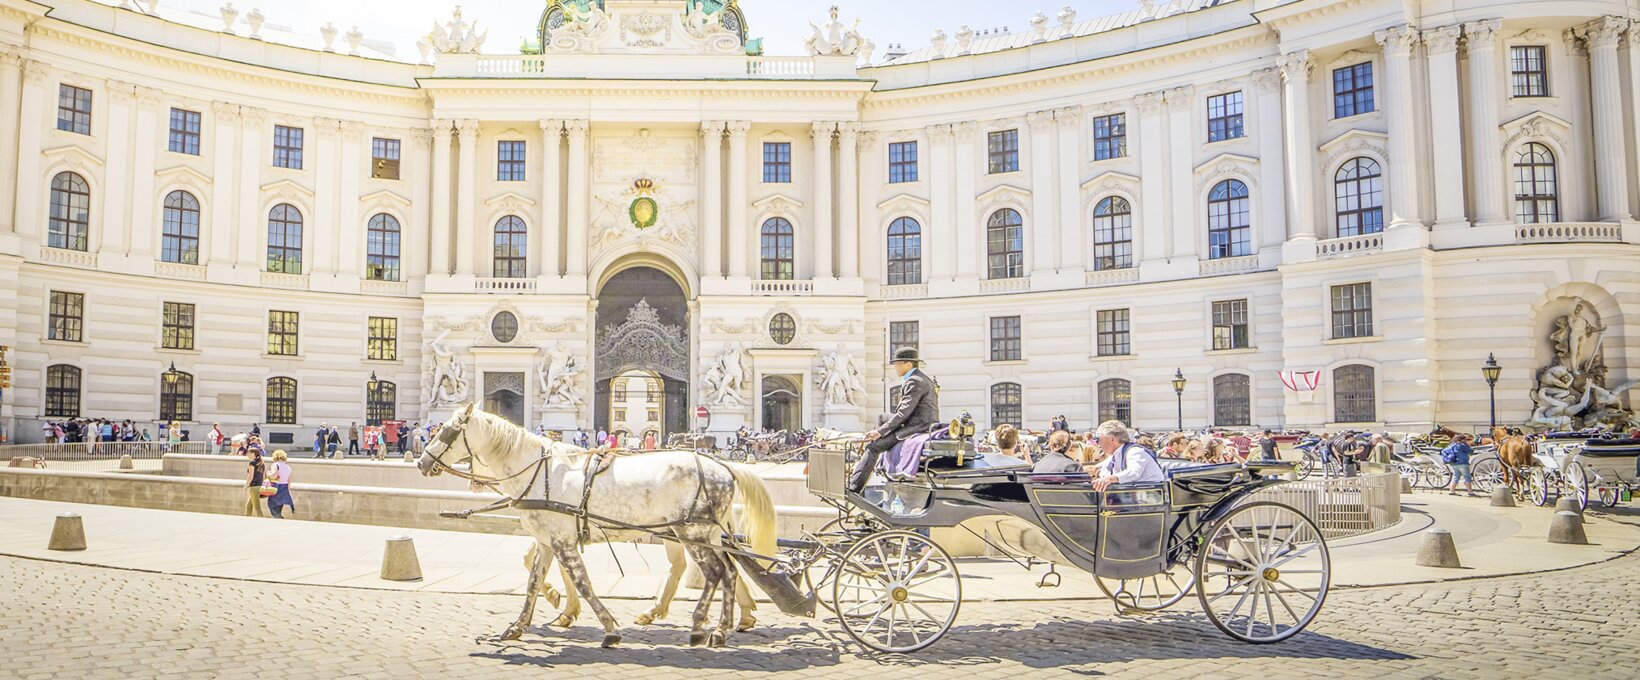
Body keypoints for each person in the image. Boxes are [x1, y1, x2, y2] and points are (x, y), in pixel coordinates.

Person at [849, 347, 940, 493]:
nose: (895, 367)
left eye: (897, 364)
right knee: (882, 417)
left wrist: (880, 432)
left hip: (917, 426)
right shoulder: (919, 378)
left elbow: (903, 414)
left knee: (873, 448)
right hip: (917, 421)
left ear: (908, 364)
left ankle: (854, 488)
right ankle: (875, 453)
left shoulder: (915, 381)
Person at [1088, 420, 1166, 492]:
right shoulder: (1115, 454)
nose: (1097, 444)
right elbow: (1101, 468)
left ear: (1112, 439)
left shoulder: (1134, 451)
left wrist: (1109, 479)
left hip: (1151, 495)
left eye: (1098, 439)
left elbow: (1133, 472)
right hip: (1133, 495)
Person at [266, 450, 294, 518]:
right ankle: (280, 520)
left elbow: (274, 475)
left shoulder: (275, 465)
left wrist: (267, 473)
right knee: (279, 509)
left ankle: (280, 519)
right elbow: (289, 481)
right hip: (284, 488)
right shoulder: (288, 467)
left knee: (272, 507)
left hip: (276, 487)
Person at [244, 445, 268, 517]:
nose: (247, 455)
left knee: (257, 508)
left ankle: (261, 521)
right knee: (248, 506)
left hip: (254, 487)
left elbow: (250, 476)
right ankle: (246, 520)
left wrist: (245, 486)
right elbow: (264, 476)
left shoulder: (252, 463)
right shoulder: (261, 463)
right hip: (259, 486)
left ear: (253, 454)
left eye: (248, 453)